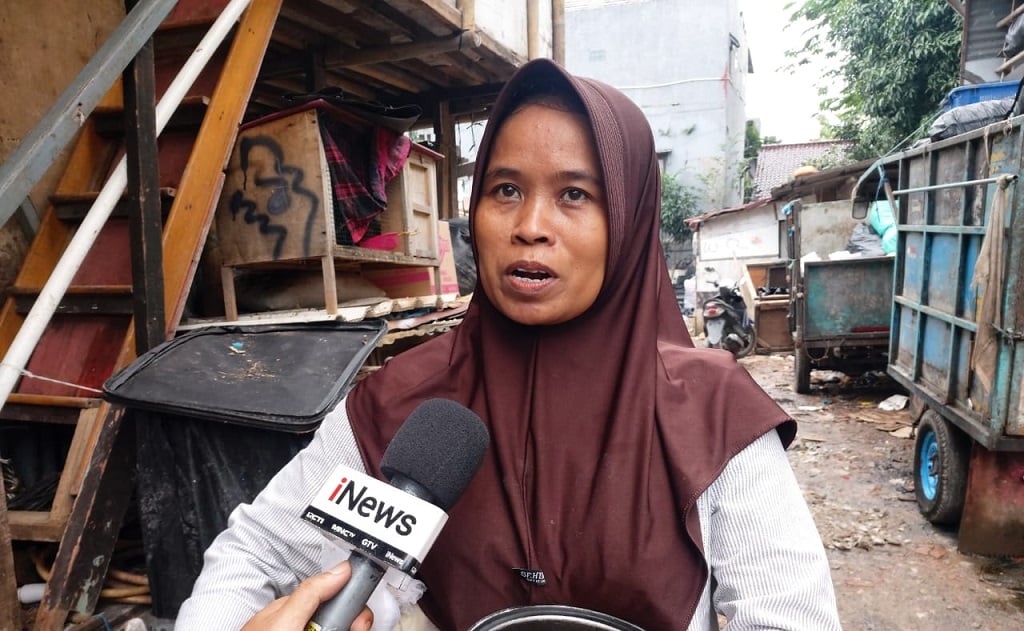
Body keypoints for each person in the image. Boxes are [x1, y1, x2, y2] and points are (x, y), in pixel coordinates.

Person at [176, 58, 841, 630]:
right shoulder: (407, 410)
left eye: (574, 194)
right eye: (505, 190)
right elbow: (254, 553)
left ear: (630, 221)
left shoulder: (708, 411)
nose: (529, 226)